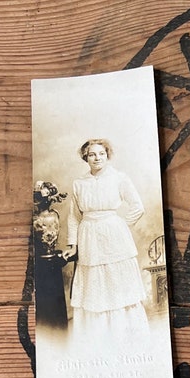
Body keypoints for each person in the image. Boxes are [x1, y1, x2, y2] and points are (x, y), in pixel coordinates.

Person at [64, 137, 149, 348]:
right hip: (88, 236)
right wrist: (72, 244)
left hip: (114, 236)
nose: (97, 158)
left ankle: (124, 336)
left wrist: (119, 225)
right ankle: (97, 337)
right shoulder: (79, 183)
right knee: (94, 281)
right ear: (86, 157)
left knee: (116, 280)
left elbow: (137, 206)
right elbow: (74, 216)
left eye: (101, 153)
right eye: (92, 154)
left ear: (107, 155)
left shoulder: (119, 178)